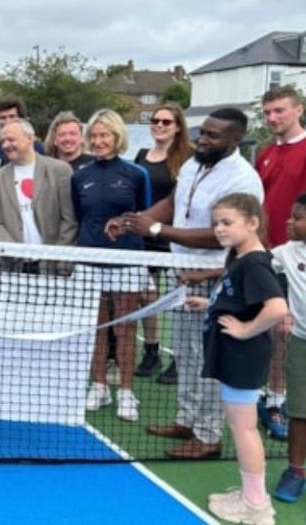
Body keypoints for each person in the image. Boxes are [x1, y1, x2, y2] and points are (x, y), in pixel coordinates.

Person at [109, 107, 265, 459]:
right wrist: (138, 219)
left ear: (235, 139)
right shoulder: (194, 164)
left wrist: (158, 231)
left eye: (213, 135)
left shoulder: (243, 178)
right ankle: (188, 420)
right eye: (202, 132)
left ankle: (209, 436)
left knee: (208, 358)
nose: (203, 139)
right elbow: (171, 202)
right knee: (186, 353)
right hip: (180, 269)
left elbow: (223, 235)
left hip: (215, 276)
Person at [185, 193, 286, 525]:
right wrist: (210, 306)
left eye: (227, 222)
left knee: (243, 429)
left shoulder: (255, 262)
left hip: (243, 356)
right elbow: (241, 299)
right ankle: (249, 494)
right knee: (240, 426)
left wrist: (245, 330)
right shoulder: (240, 259)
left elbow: (276, 308)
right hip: (234, 356)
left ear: (253, 223)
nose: (219, 229)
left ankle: (256, 506)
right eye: (216, 223)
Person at [72, 109, 151, 422]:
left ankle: (127, 393)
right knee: (96, 328)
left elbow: (144, 216)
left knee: (125, 327)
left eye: (104, 135)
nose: (98, 141)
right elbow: (81, 215)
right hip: (90, 259)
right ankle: (100, 385)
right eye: (93, 136)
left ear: (117, 137)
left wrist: (124, 224)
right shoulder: (80, 176)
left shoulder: (135, 174)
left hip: (128, 260)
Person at [256, 86, 306, 440]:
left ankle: (277, 399)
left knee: (285, 331)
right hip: (267, 255)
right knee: (270, 329)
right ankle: (270, 394)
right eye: (268, 112)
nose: (273, 118)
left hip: (297, 260)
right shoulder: (265, 154)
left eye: (280, 111)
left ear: (298, 110)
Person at [133, 103, 194, 383]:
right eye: (155, 121)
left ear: (178, 126)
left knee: (181, 298)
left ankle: (181, 359)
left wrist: (162, 226)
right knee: (147, 295)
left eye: (166, 122)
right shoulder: (142, 155)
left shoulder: (189, 159)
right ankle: (151, 350)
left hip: (177, 238)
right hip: (146, 238)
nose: (159, 125)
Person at [0, 119, 76, 246]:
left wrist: (55, 255)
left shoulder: (60, 171)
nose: (5, 145)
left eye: (11, 140)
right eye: (3, 141)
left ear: (30, 138)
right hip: (12, 262)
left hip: (53, 260)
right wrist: (16, 253)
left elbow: (70, 220)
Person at [272, 193, 306, 503]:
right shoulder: (284, 253)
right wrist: (203, 274)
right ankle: (296, 471)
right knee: (299, 413)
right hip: (301, 343)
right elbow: (251, 264)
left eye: (297, 218)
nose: (289, 221)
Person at [0, 96, 45, 170]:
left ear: (22, 119)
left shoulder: (37, 148)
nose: (8, 121)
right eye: (3, 118)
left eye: (12, 116)